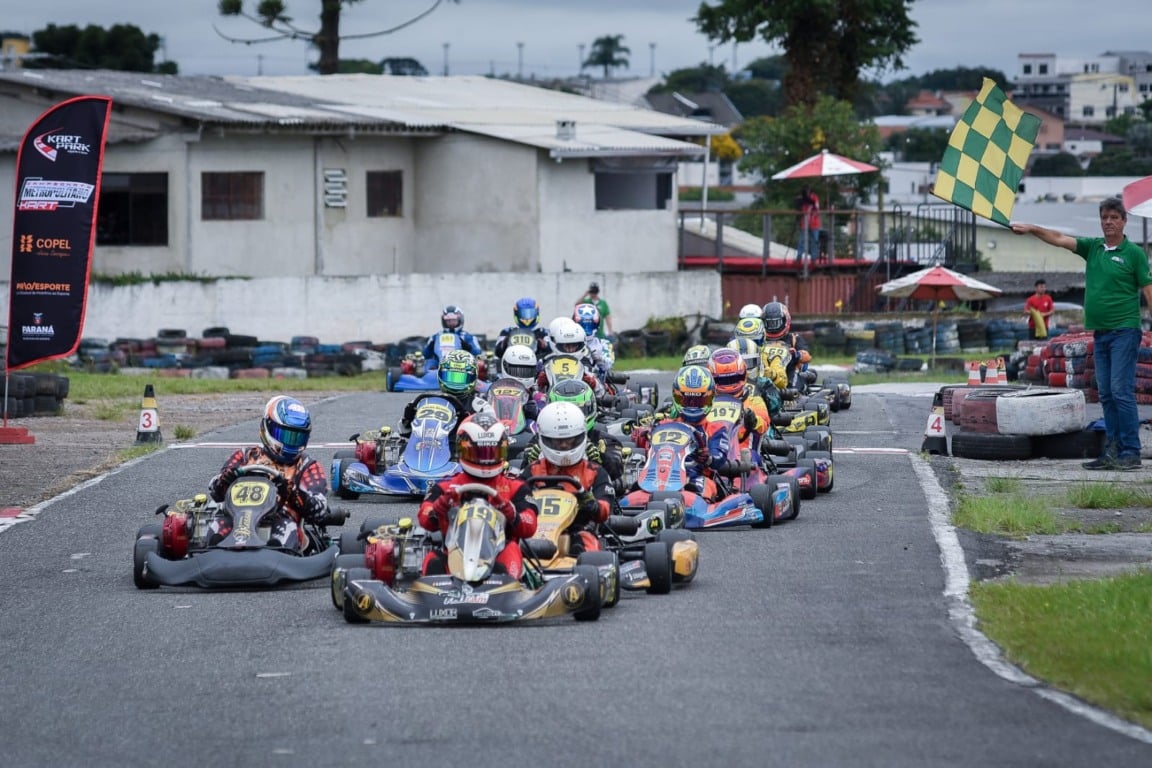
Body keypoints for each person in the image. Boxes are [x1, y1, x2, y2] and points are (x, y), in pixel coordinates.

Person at [1012, 198, 1152, 471]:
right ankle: (1112, 451)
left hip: (1125, 331)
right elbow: (1059, 238)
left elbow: (1148, 289)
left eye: (1114, 217)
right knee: (1106, 393)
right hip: (1100, 334)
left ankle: (1131, 451)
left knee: (1120, 390)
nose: (1108, 222)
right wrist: (1031, 228)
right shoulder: (1093, 248)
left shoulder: (1134, 253)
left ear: (1124, 221)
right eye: (1104, 217)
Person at [417, 413, 537, 579]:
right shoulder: (445, 488)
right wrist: (437, 510)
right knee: (432, 560)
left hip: (498, 559)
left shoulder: (516, 487)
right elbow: (424, 516)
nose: (485, 459)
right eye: (479, 452)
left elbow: (530, 525)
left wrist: (512, 514)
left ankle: (510, 585)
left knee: (511, 550)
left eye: (491, 452)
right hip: (453, 558)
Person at [207, 396, 329, 551]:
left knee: (287, 528)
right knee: (217, 525)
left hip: (280, 522)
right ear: (268, 427)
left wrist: (292, 492)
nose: (291, 443)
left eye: (297, 437)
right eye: (285, 435)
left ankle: (276, 556)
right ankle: (212, 554)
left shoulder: (307, 466)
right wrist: (224, 481)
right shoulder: (245, 456)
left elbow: (320, 511)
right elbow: (215, 492)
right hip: (236, 521)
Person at [524, 401, 615, 556]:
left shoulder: (594, 471)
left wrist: (593, 505)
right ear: (545, 439)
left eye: (570, 440)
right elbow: (515, 500)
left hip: (578, 529)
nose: (564, 445)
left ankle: (583, 565)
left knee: (586, 542)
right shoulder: (533, 470)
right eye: (558, 441)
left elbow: (605, 510)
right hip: (535, 531)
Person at [520, 379, 625, 490]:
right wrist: (530, 460)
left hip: (588, 495)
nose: (567, 419)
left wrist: (600, 458)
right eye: (561, 414)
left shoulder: (605, 441)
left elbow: (616, 472)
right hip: (545, 494)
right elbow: (524, 477)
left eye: (577, 411)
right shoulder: (539, 440)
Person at [399, 349, 481, 448]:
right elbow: (403, 429)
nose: (455, 383)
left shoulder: (479, 406)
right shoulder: (423, 401)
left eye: (460, 378)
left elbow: (490, 434)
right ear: (440, 375)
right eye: (450, 377)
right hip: (422, 447)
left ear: (473, 378)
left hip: (461, 451)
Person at [707, 347, 769, 464]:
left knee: (750, 457)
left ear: (744, 375)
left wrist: (753, 420)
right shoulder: (706, 403)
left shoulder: (754, 401)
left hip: (746, 458)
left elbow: (764, 424)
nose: (729, 384)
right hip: (713, 456)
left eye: (734, 378)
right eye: (722, 380)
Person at [760, 301, 813, 393]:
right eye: (769, 324)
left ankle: (795, 395)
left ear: (785, 321)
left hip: (789, 372)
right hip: (765, 374)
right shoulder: (761, 339)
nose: (773, 328)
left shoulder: (793, 338)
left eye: (776, 323)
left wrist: (797, 354)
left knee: (794, 385)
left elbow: (807, 356)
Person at [794, 187, 821, 262]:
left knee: (814, 241)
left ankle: (814, 258)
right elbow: (799, 208)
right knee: (802, 240)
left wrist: (807, 200)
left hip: (814, 223)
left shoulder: (814, 197)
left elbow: (816, 207)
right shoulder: (802, 198)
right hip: (805, 223)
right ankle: (799, 257)